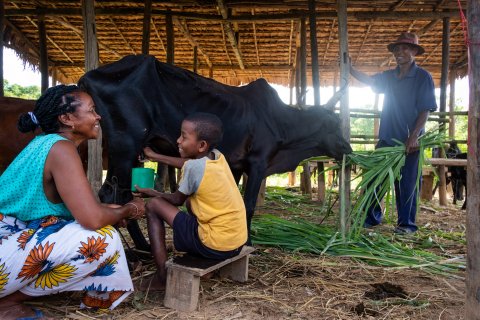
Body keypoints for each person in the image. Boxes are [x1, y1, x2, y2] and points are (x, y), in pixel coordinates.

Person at [0, 85, 146, 319]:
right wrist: (130, 208)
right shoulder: (62, 149)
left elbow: (76, 209)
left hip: (9, 238)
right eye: (92, 110)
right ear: (67, 119)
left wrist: (110, 211)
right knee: (102, 240)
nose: (98, 116)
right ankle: (6, 303)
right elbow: (91, 219)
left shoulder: (44, 144)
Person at [135, 112, 248, 290]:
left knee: (154, 206)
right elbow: (188, 164)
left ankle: (162, 277)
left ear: (202, 145)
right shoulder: (217, 156)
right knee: (192, 203)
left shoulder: (195, 168)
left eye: (184, 137)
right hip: (236, 242)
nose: (178, 140)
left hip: (213, 244)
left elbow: (176, 200)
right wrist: (155, 156)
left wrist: (152, 192)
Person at [349, 32, 437, 234]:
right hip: (387, 138)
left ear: (414, 51)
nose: (400, 52)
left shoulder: (423, 77)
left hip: (409, 141)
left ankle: (406, 225)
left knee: (407, 184)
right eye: (397, 49)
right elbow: (369, 81)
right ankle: (371, 219)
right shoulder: (389, 77)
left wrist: (414, 136)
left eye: (405, 48)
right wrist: (350, 68)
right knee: (375, 179)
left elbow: (425, 110)